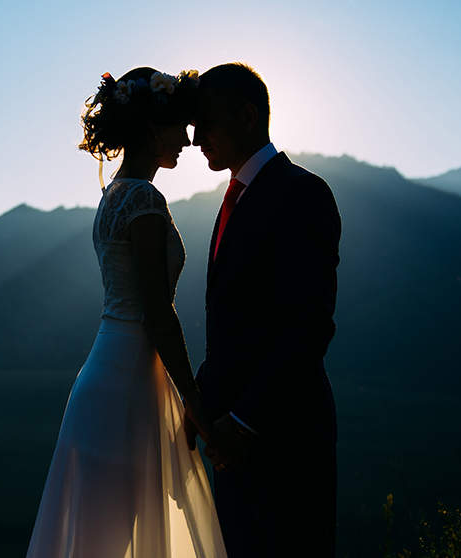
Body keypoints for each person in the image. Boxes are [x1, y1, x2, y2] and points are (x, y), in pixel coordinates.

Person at [25, 67, 227, 558]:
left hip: (105, 371)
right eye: (178, 125)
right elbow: (158, 313)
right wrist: (195, 402)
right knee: (113, 537)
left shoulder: (112, 195)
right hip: (129, 386)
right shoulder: (143, 199)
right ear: (152, 130)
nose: (186, 138)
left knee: (102, 537)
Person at [185, 62, 342, 556]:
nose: (194, 138)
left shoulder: (303, 193)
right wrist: (202, 408)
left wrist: (245, 421)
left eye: (205, 122)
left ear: (248, 116)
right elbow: (231, 327)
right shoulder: (232, 199)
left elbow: (308, 325)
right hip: (233, 447)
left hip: (287, 443)